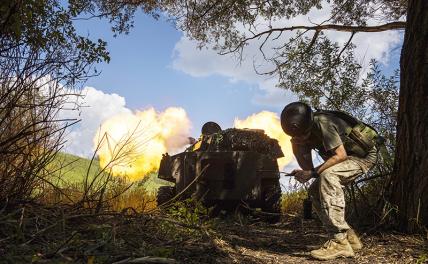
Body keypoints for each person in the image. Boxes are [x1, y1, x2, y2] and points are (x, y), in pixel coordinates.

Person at [280, 102, 379, 261]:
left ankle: (339, 241)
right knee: (314, 189)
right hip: (346, 158)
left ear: (309, 124)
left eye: (301, 135)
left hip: (362, 157)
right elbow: (308, 168)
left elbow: (341, 156)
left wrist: (312, 173)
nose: (299, 138)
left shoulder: (323, 123)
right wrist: (298, 149)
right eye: (295, 136)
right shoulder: (300, 135)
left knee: (328, 176)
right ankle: (349, 239)